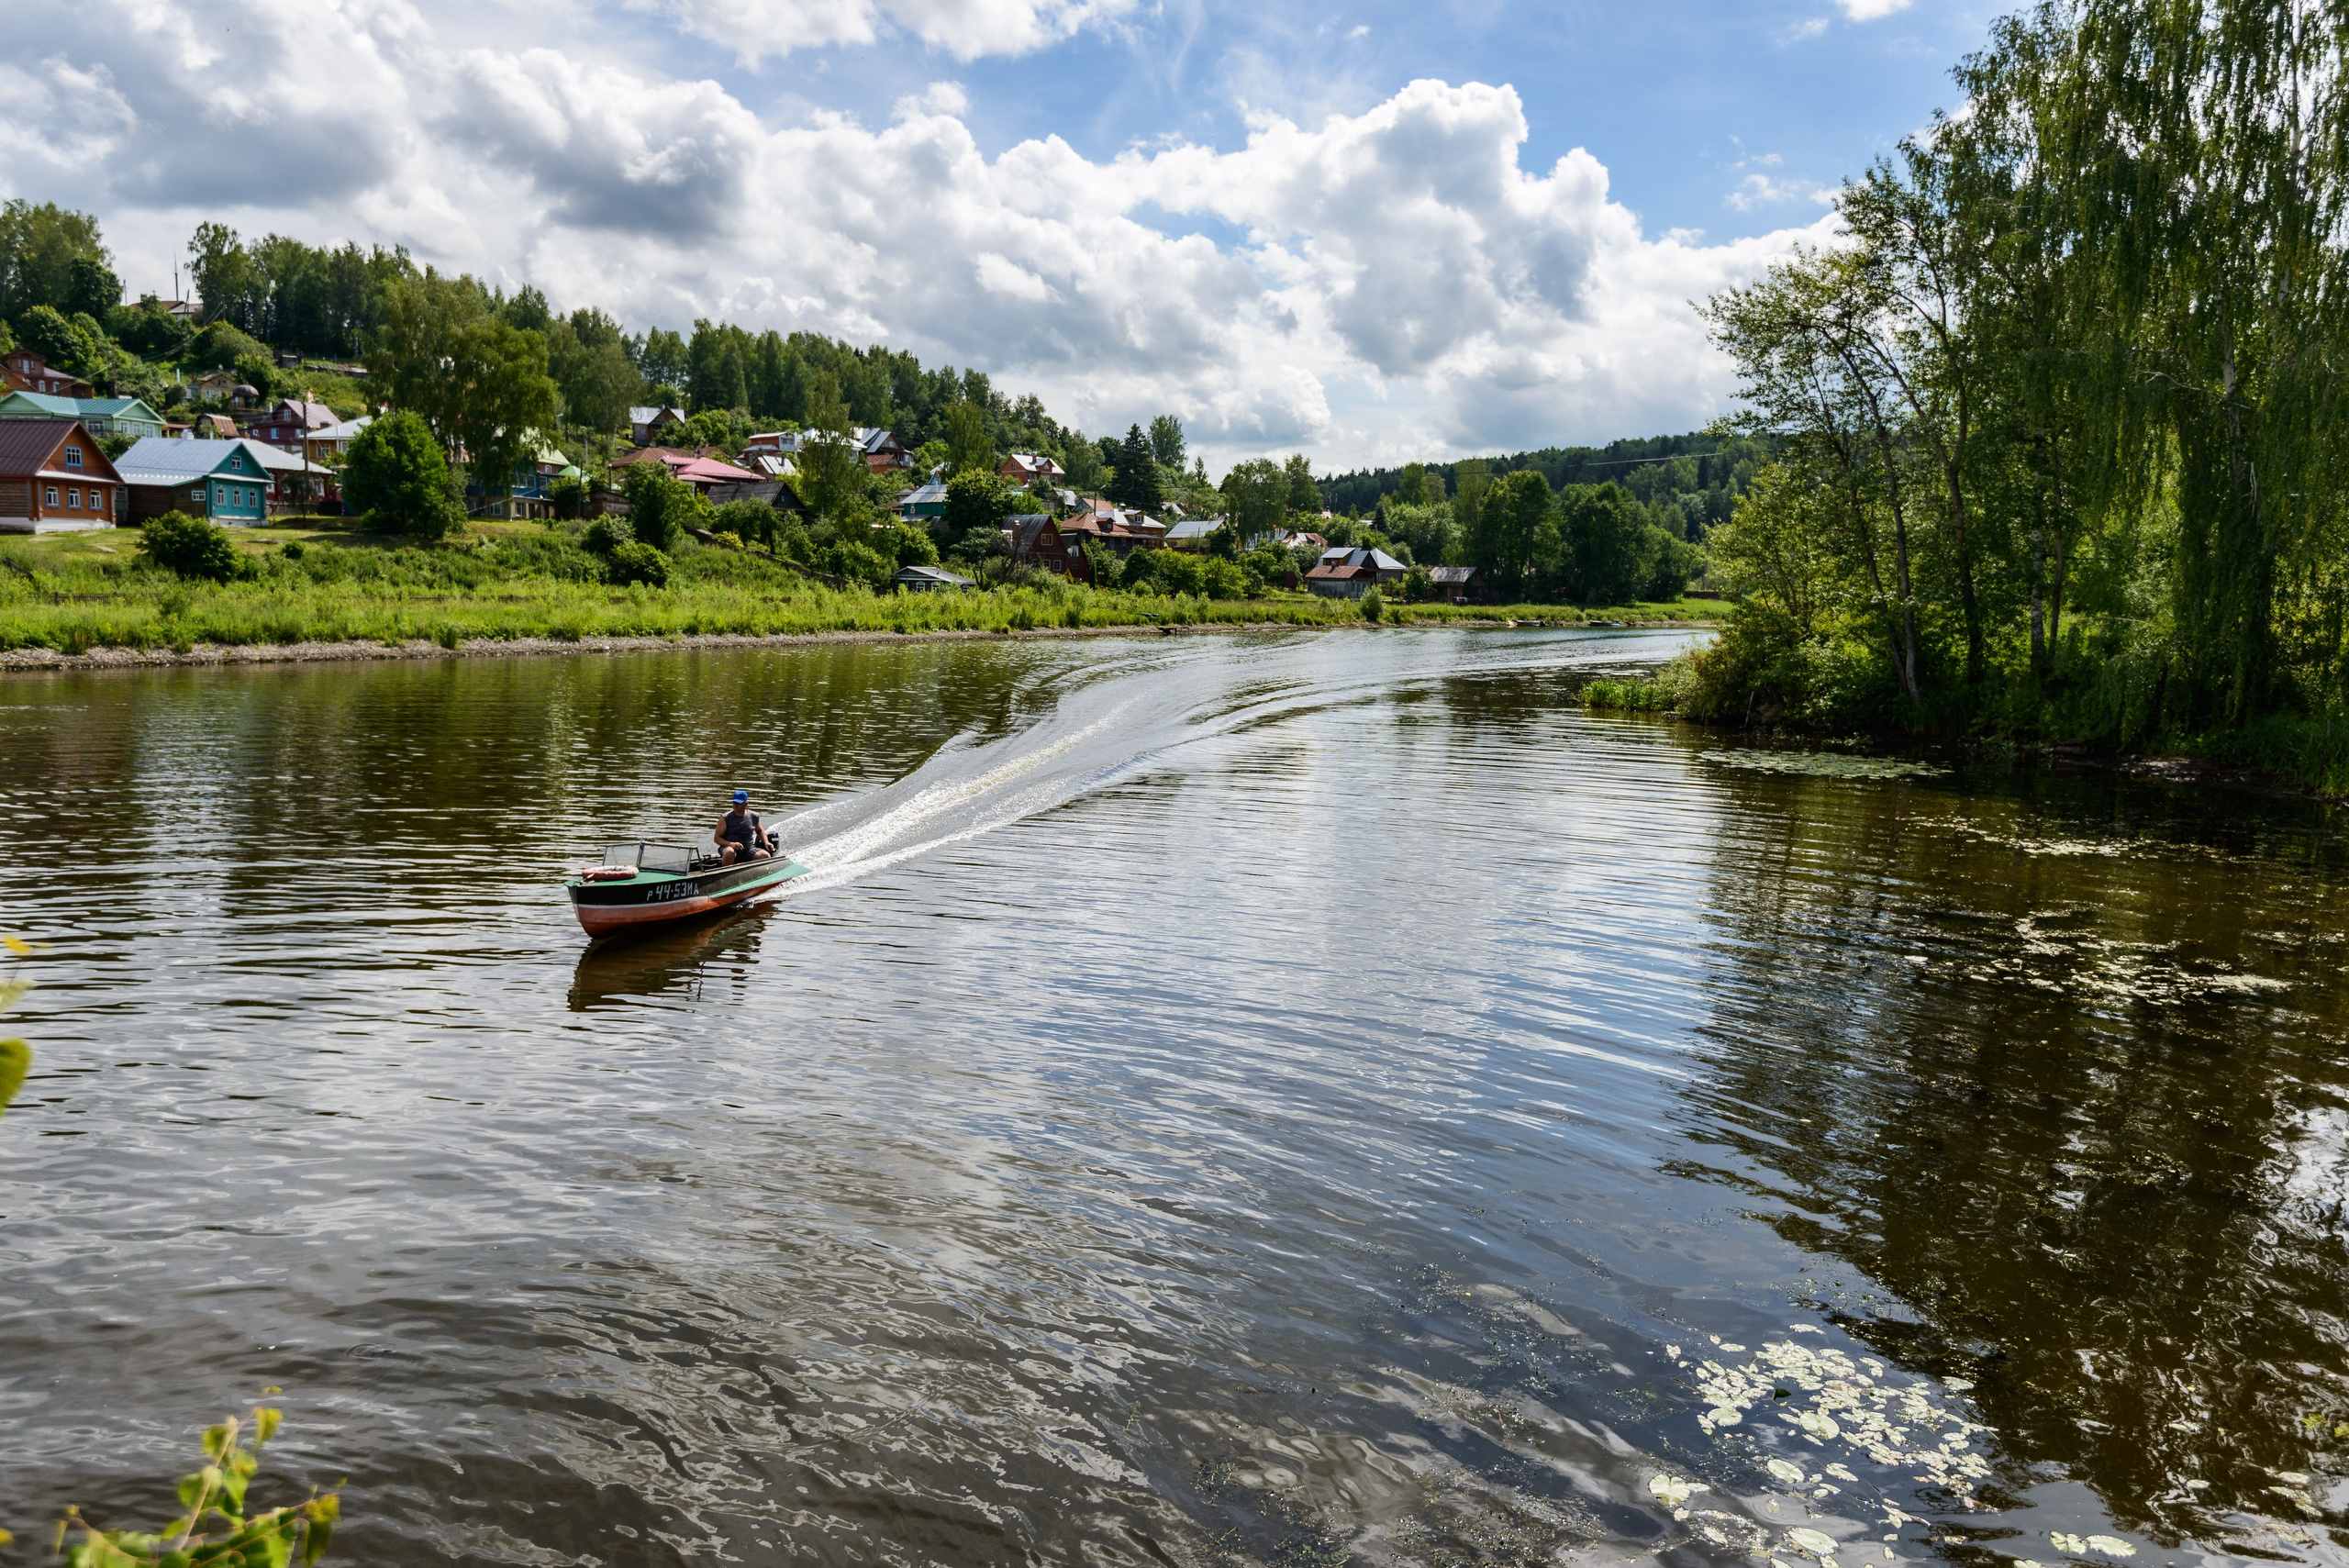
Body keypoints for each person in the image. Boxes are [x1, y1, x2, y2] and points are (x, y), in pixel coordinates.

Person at [714, 789, 774, 864]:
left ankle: (748, 871)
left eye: (738, 803)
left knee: (765, 855)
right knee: (730, 851)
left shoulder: (754, 816)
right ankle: (726, 872)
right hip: (729, 848)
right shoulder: (725, 818)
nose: (735, 805)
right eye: (734, 803)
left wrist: (766, 842)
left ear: (746, 804)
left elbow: (759, 830)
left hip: (748, 849)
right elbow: (717, 838)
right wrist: (731, 844)